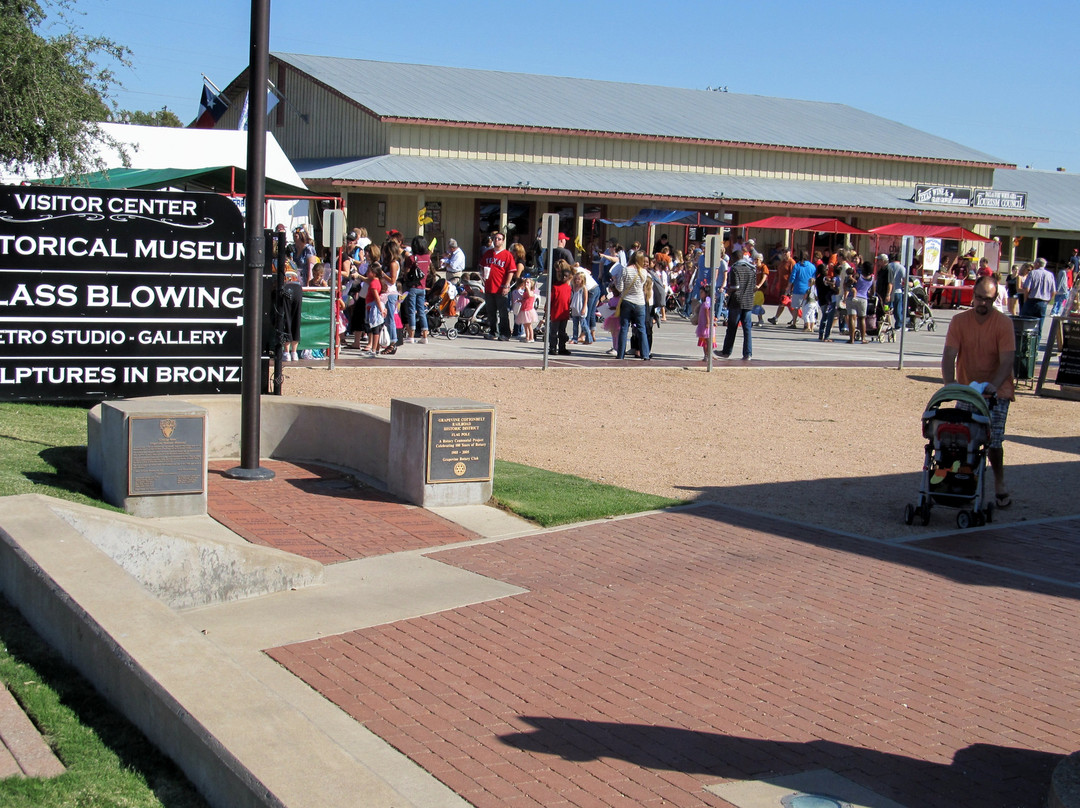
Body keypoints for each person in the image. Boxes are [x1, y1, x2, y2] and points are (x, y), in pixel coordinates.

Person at [941, 274, 1016, 508]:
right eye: (980, 298)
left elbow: (1007, 360)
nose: (983, 303)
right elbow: (949, 355)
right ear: (973, 295)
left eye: (989, 300)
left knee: (993, 440)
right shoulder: (959, 321)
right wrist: (949, 383)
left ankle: (999, 482)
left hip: (997, 390)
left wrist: (994, 384)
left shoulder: (1003, 323)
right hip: (967, 389)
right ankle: (961, 480)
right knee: (960, 438)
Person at [714, 248, 755, 360]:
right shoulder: (751, 269)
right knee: (747, 329)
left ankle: (726, 351)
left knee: (732, 327)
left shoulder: (735, 269)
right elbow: (753, 287)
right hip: (748, 301)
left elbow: (735, 287)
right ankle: (748, 353)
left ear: (736, 258)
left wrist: (728, 291)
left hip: (737, 301)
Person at [481, 231, 517, 340]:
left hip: (501, 287)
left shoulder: (507, 255)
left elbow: (511, 271)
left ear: (503, 241)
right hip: (489, 286)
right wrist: (482, 275)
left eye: (499, 239)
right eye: (495, 238)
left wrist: (507, 285)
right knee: (491, 312)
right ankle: (493, 332)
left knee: (503, 312)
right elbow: (482, 267)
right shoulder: (488, 253)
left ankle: (505, 333)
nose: (497, 240)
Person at [615, 251, 650, 360]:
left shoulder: (625, 270)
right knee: (641, 328)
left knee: (624, 328)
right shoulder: (643, 272)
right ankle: (645, 354)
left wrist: (616, 281)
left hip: (627, 300)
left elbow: (620, 288)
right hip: (639, 302)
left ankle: (620, 354)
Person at [770, 251, 814, 327]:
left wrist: (788, 288)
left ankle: (794, 323)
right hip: (809, 289)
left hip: (798, 289)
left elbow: (792, 278)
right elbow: (814, 278)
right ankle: (808, 324)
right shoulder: (812, 267)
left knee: (796, 307)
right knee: (806, 307)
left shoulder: (797, 266)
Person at [401, 238, 430, 344]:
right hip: (422, 286)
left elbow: (406, 272)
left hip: (413, 286)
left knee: (411, 311)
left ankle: (411, 335)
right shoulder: (427, 257)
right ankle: (425, 336)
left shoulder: (412, 258)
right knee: (421, 311)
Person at [1021, 257, 1055, 328]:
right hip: (1043, 302)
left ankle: (1026, 339)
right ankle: (1038, 338)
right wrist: (1048, 301)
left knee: (1026, 324)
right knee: (1039, 325)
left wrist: (1025, 299)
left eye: (1034, 264)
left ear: (1037, 264)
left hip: (1031, 301)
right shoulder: (1050, 275)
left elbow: (1027, 288)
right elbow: (1053, 291)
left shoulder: (1032, 273)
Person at [547, 262, 572, 355]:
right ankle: (552, 348)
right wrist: (547, 309)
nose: (564, 278)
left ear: (569, 277)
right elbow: (550, 299)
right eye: (562, 276)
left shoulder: (568, 288)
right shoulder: (555, 287)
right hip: (555, 313)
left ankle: (562, 348)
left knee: (562, 332)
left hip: (564, 313)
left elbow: (568, 300)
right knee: (553, 332)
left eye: (566, 276)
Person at [280, 268, 303, 361]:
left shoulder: (277, 261)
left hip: (286, 286)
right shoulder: (293, 263)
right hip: (297, 287)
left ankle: (286, 352)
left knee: (287, 318)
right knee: (296, 319)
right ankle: (294, 352)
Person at [513, 276, 538, 343]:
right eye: (525, 282)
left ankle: (531, 337)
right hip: (524, 309)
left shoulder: (531, 292)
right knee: (525, 325)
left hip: (528, 310)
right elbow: (524, 299)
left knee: (529, 325)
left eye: (528, 282)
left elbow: (530, 295)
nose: (526, 284)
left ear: (531, 284)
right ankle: (527, 337)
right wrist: (520, 301)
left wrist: (528, 288)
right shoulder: (525, 292)